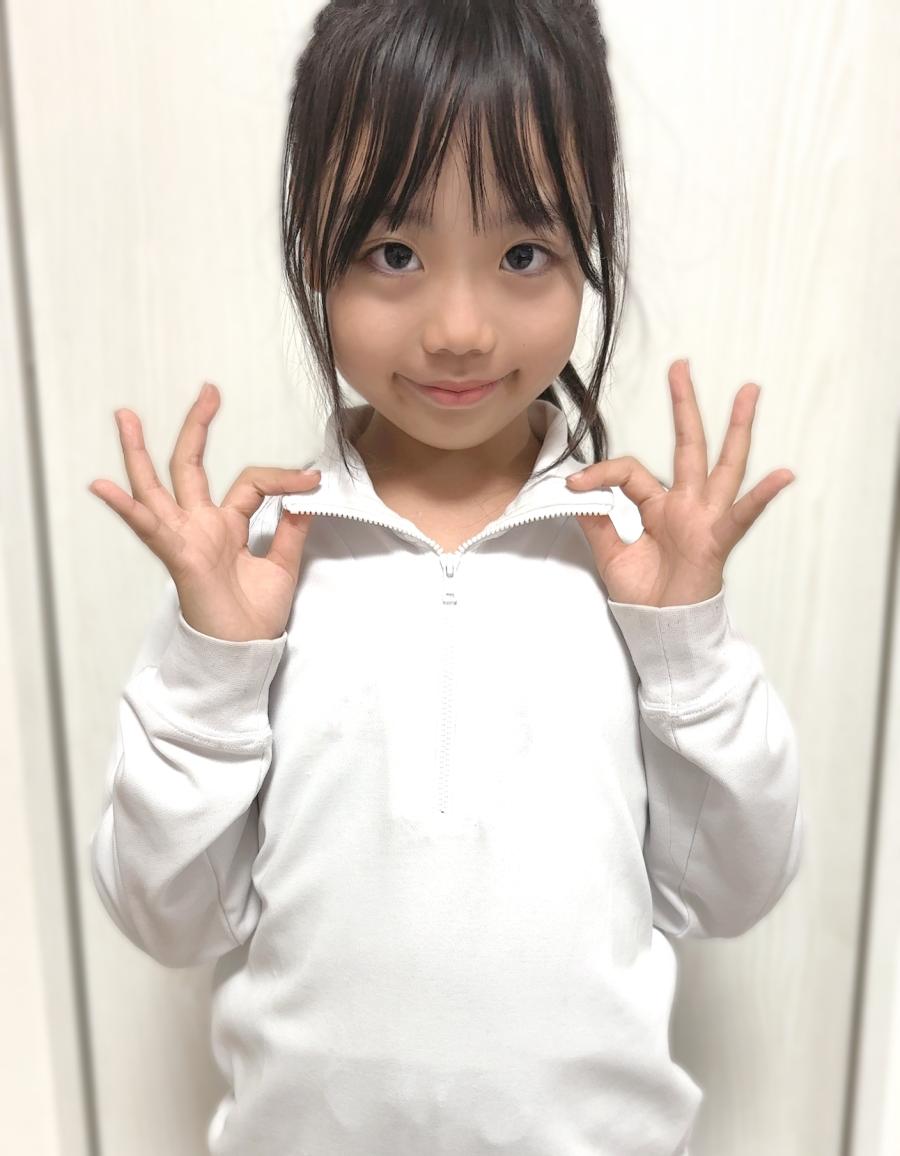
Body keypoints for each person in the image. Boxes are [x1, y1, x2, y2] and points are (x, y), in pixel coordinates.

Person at [87, 2, 803, 1154]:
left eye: (523, 254)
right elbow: (163, 915)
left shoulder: (633, 564)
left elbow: (735, 888)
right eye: (394, 253)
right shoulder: (258, 572)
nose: (460, 327)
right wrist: (214, 668)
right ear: (310, 249)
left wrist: (691, 651)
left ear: (590, 246)